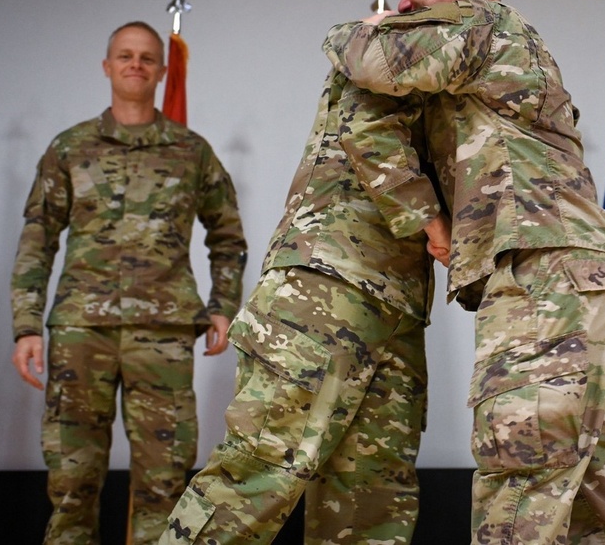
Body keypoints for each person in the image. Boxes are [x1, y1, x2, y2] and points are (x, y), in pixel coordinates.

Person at [324, 0, 605, 544]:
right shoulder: (508, 45)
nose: (406, 2)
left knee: (518, 486)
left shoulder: (481, 24)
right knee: (593, 507)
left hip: (542, 282)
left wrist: (360, 27)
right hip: (584, 284)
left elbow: (373, 61)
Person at [160, 70, 448, 544]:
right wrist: (436, 227)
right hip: (325, 284)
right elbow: (368, 132)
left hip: (399, 305)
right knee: (261, 470)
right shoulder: (390, 50)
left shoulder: (458, 67)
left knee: (371, 494)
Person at [10, 21, 248, 545]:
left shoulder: (192, 151)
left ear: (163, 70)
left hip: (161, 334)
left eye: (146, 57)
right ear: (107, 66)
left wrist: (221, 305)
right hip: (81, 332)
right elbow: (38, 236)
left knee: (164, 484)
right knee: (71, 483)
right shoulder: (70, 148)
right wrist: (26, 325)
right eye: (125, 56)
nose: (135, 65)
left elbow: (228, 235)